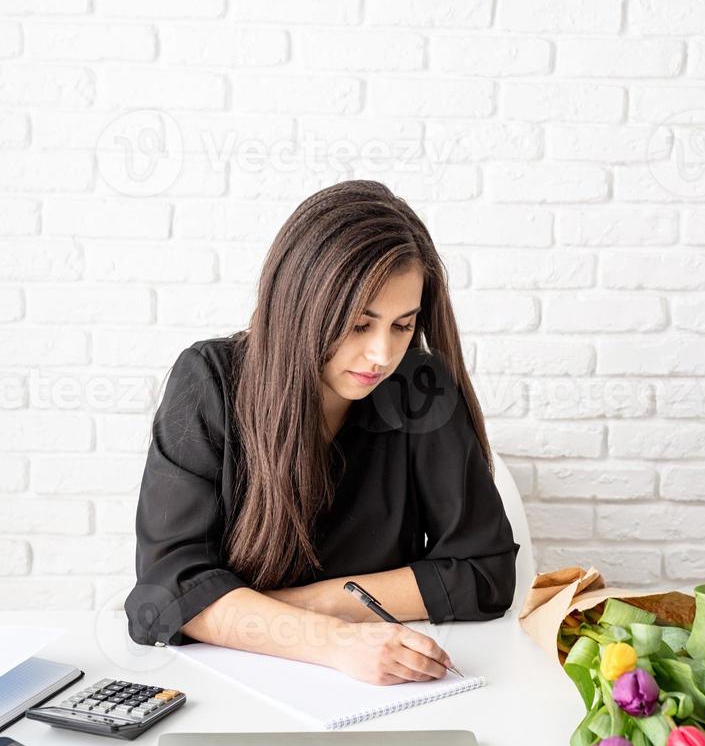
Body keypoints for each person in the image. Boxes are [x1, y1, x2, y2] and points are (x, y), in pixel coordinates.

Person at [124, 180, 520, 686]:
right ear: (302, 308)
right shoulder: (209, 381)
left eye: (402, 326)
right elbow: (162, 595)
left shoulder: (419, 387)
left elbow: (485, 574)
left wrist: (283, 611)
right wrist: (334, 641)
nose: (382, 355)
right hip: (231, 685)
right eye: (359, 325)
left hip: (378, 686)